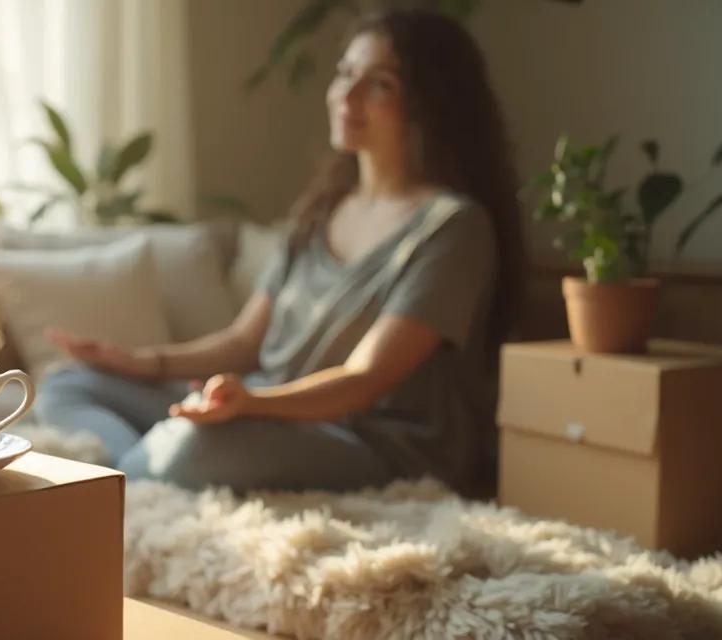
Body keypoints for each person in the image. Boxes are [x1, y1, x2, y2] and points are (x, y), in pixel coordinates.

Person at [35, 9, 524, 495]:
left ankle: (134, 480)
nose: (347, 96)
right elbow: (243, 344)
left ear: (432, 104)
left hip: (368, 441)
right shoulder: (323, 210)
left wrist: (252, 405)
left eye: (381, 85)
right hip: (268, 411)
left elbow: (366, 377)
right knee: (68, 385)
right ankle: (139, 475)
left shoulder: (453, 228)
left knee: (188, 445)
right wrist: (137, 361)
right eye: (346, 74)